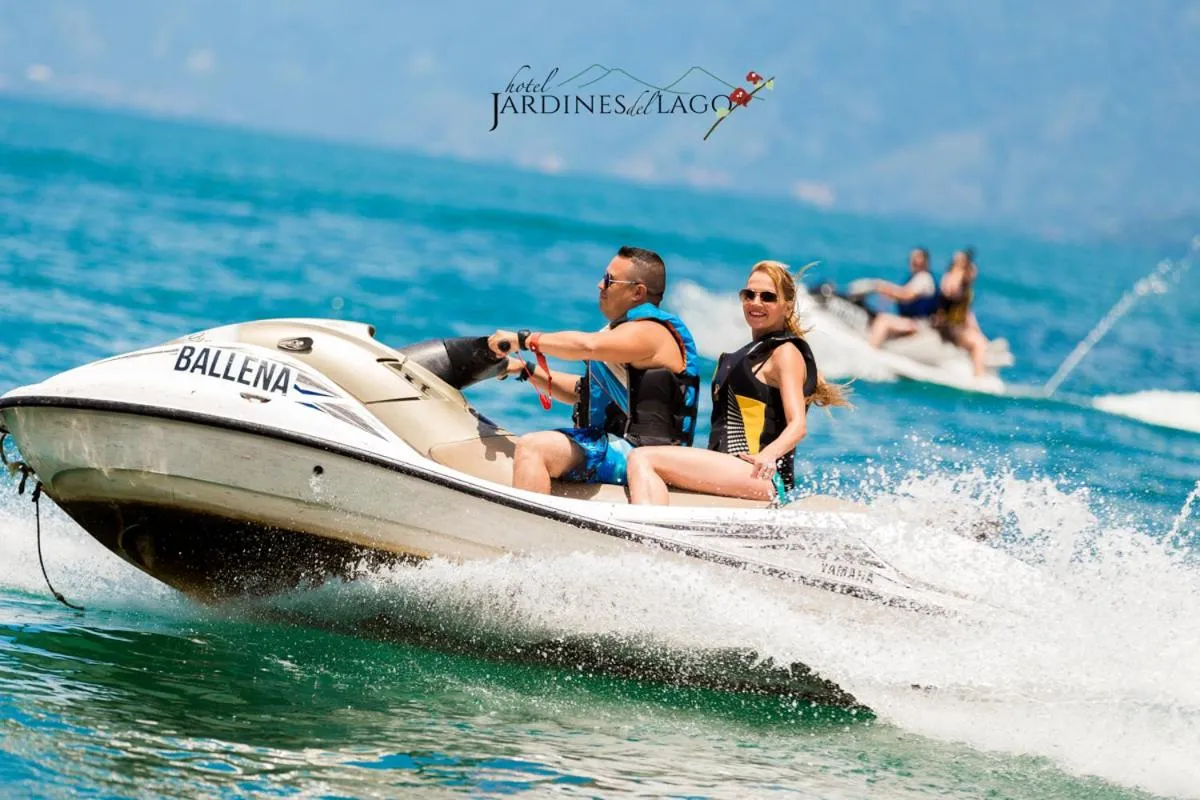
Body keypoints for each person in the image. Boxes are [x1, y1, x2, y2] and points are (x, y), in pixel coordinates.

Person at [626, 261, 850, 505]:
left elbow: (798, 425)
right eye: (749, 295)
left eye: (767, 297)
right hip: (734, 469)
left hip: (761, 475)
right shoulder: (747, 355)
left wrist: (768, 456)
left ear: (786, 306)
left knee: (642, 458)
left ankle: (647, 533)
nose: (756, 302)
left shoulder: (785, 353)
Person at [487, 246, 699, 494]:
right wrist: (523, 369)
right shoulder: (621, 334)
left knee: (534, 447)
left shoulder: (651, 333)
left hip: (646, 457)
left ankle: (528, 530)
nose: (600, 285)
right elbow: (582, 393)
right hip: (617, 446)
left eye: (609, 280)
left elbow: (586, 346)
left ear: (637, 292)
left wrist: (523, 340)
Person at [858, 247, 939, 348]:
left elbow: (906, 294)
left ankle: (870, 351)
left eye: (918, 257)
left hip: (920, 325)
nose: (914, 260)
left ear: (926, 261)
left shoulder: (924, 278)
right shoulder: (914, 279)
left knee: (884, 320)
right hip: (914, 323)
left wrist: (881, 286)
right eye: (912, 258)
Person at [933, 248, 989, 377]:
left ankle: (979, 371)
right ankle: (979, 377)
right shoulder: (948, 279)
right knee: (978, 344)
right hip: (947, 327)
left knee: (981, 340)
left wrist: (978, 332)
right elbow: (950, 292)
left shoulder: (967, 290)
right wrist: (959, 268)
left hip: (958, 327)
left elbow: (968, 314)